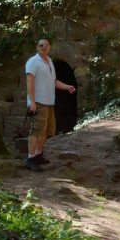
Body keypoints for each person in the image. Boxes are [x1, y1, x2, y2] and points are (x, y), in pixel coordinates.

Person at [24, 37, 76, 172]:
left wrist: (67, 87)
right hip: (39, 103)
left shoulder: (49, 62)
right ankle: (30, 159)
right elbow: (29, 82)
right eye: (41, 45)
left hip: (49, 103)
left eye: (46, 45)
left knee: (46, 131)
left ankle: (38, 155)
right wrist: (32, 102)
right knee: (36, 131)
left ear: (50, 47)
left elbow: (54, 82)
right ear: (37, 47)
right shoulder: (33, 62)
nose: (44, 47)